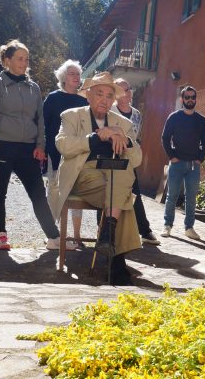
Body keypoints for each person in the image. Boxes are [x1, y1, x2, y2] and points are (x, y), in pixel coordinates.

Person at [48, 71, 142, 286]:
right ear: (88, 95)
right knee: (123, 198)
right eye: (99, 94)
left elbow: (136, 159)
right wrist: (93, 139)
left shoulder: (122, 123)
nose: (104, 100)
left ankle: (109, 235)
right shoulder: (71, 115)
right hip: (84, 173)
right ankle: (117, 261)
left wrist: (125, 141)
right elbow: (62, 145)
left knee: (123, 171)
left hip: (113, 174)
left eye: (110, 96)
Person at [0, 39, 60, 250]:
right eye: (19, 58)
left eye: (26, 59)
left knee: (38, 194)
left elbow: (40, 120)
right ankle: (0, 236)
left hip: (27, 150)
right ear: (7, 60)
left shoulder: (33, 87)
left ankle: (53, 237)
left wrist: (40, 146)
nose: (24, 63)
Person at [42, 59, 87, 250]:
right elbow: (42, 124)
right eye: (72, 73)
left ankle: (76, 235)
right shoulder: (53, 98)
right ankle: (52, 235)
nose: (76, 77)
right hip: (54, 151)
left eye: (78, 74)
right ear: (63, 77)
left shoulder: (84, 101)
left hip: (77, 154)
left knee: (75, 193)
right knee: (54, 191)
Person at [110, 77, 160, 246]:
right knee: (109, 194)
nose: (128, 92)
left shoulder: (137, 114)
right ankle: (105, 232)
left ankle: (144, 231)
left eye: (129, 88)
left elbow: (138, 136)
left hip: (129, 159)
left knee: (135, 194)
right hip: (112, 158)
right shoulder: (110, 111)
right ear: (117, 94)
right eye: (124, 89)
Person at [160, 86, 205, 240]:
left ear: (195, 98)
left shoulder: (202, 120)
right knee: (171, 196)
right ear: (182, 99)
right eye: (186, 97)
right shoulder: (174, 117)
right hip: (177, 163)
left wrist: (200, 158)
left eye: (192, 97)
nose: (190, 100)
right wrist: (172, 156)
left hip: (193, 165)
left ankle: (189, 228)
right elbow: (165, 138)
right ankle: (167, 226)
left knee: (191, 197)